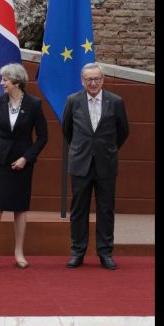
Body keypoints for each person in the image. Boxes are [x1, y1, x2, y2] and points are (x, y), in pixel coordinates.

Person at [0, 63, 48, 270]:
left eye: (5, 80)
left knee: (20, 207)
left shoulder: (34, 104)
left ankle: (19, 252)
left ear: (16, 82)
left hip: (22, 162)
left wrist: (26, 158)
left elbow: (43, 137)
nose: (2, 84)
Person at [62, 62, 129, 270]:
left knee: (106, 209)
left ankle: (105, 252)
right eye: (89, 79)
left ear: (103, 80)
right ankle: (77, 251)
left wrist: (106, 149)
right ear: (82, 81)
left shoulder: (116, 102)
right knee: (79, 209)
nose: (93, 83)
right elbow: (67, 131)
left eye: (97, 79)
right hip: (81, 164)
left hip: (106, 164)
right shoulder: (73, 101)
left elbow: (123, 132)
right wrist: (84, 149)